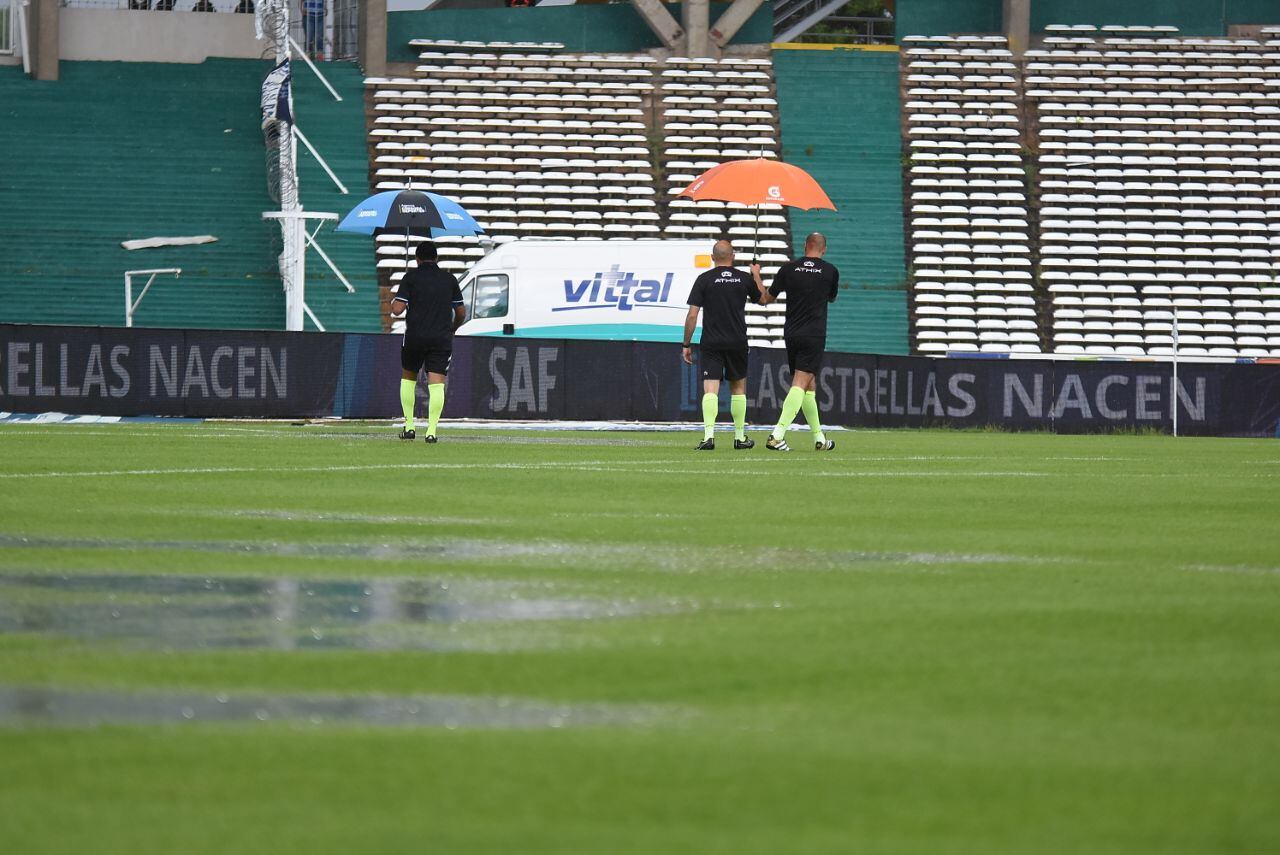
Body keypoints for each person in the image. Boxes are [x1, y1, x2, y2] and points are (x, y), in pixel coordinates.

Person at [681, 239, 766, 451]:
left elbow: (692, 315)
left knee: (711, 388)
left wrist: (686, 343)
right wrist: (755, 272)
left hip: (712, 341)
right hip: (737, 340)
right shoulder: (744, 278)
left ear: (712, 258)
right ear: (733, 256)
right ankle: (739, 438)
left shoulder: (704, 279)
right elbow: (763, 299)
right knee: (738, 388)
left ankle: (708, 437)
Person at [758, 232, 839, 452]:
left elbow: (765, 299)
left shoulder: (788, 269)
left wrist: (756, 275)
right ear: (824, 248)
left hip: (792, 334)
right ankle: (777, 435)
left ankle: (819, 438)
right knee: (800, 384)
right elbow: (832, 297)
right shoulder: (830, 271)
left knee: (809, 385)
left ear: (805, 246)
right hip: (814, 334)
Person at [389, 241, 465, 443]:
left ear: (417, 259)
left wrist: (395, 299)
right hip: (441, 338)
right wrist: (453, 328)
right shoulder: (449, 279)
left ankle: (410, 427)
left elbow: (397, 309)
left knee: (408, 378)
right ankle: (431, 431)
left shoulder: (410, 277)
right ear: (436, 258)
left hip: (414, 336)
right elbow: (461, 312)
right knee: (436, 383)